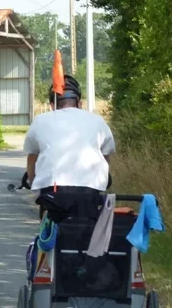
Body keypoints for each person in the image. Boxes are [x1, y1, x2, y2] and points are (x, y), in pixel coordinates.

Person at [23, 74, 115, 221]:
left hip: (53, 188)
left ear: (52, 104)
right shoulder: (98, 121)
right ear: (79, 102)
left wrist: (34, 183)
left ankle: (48, 240)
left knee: (49, 231)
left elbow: (32, 157)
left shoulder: (40, 120)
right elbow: (106, 155)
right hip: (89, 189)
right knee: (86, 232)